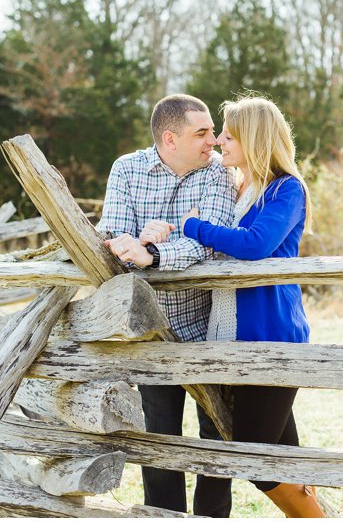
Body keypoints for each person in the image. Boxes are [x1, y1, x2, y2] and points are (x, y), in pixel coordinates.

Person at [148, 94, 324, 517]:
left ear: (254, 139)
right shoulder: (241, 187)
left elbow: (255, 244)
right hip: (234, 338)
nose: (220, 142)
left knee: (257, 460)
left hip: (272, 337)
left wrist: (192, 225)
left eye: (229, 134)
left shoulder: (286, 189)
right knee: (284, 454)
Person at [98, 94, 237, 516]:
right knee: (159, 437)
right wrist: (140, 242)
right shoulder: (127, 169)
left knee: (217, 440)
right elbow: (114, 239)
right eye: (203, 133)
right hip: (151, 331)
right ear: (169, 138)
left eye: (212, 131)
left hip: (208, 327)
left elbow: (210, 246)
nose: (214, 140)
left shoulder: (216, 173)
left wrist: (155, 254)